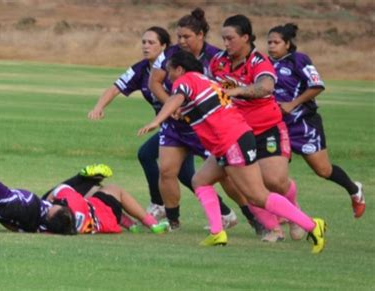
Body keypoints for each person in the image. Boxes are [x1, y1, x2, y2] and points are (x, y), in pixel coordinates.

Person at [138, 50, 327, 254]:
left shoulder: (185, 79)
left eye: (169, 71)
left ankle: (311, 225)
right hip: (231, 139)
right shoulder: (203, 79)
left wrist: (157, 120)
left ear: (180, 69)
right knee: (200, 181)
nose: (168, 76)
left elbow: (175, 98)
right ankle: (217, 233)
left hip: (231, 141)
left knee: (257, 196)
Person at [148, 8, 252, 231]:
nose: (181, 41)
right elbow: (154, 82)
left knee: (226, 176)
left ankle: (252, 217)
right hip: (175, 125)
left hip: (205, 128)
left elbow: (224, 90)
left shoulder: (216, 57)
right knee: (166, 170)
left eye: (187, 37)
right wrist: (172, 105)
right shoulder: (169, 55)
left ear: (201, 36)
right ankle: (173, 221)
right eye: (179, 37)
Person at [209, 15, 305, 242]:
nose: (225, 44)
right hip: (235, 132)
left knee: (275, 182)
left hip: (266, 127)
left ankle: (295, 214)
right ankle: (273, 229)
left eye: (230, 38)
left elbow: (265, 87)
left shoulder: (258, 61)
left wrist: (237, 91)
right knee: (242, 184)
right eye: (223, 39)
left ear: (245, 37)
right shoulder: (218, 61)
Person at [87, 26, 194, 221]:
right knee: (179, 171)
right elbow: (115, 88)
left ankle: (162, 205)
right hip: (169, 128)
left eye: (151, 42)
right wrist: (99, 107)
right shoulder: (141, 69)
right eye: (144, 42)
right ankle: (222, 213)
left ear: (164, 46)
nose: (146, 46)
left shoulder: (175, 64)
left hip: (188, 127)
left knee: (177, 169)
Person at [267, 23, 365, 219]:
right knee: (273, 173)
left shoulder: (299, 60)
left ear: (287, 43)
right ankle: (285, 212)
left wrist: (292, 104)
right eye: (269, 42)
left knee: (323, 170)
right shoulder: (265, 63)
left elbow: (317, 85)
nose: (271, 46)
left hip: (303, 123)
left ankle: (355, 189)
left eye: (276, 42)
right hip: (276, 126)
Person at [44, 183, 169, 234]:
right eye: (51, 211)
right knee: (115, 189)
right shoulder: (73, 202)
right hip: (106, 207)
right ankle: (151, 223)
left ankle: (130, 224)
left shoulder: (67, 228)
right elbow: (61, 187)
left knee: (94, 193)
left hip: (107, 223)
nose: (49, 209)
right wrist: (49, 198)